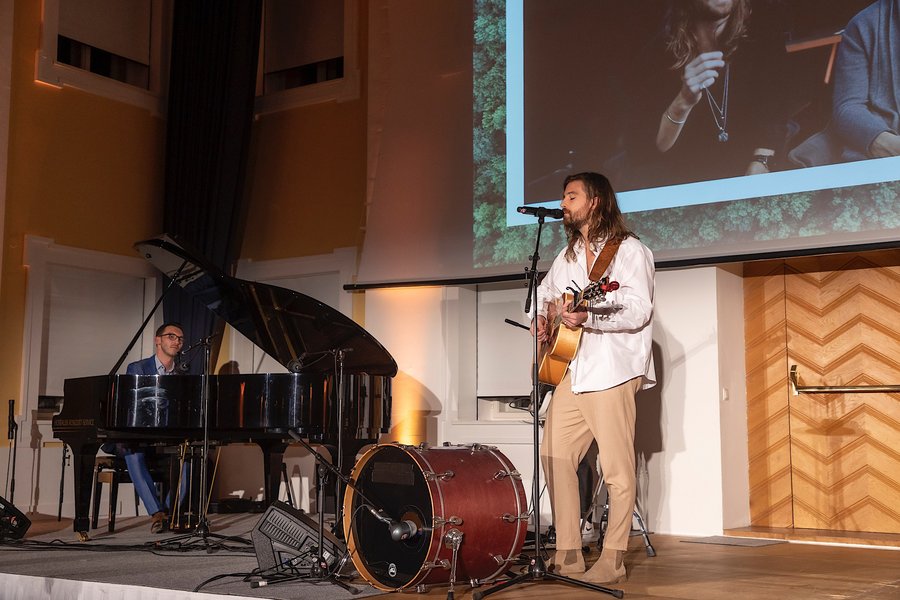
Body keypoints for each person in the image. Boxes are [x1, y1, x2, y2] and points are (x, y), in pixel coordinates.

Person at [531, 172, 655, 584]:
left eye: (571, 196)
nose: (563, 203)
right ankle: (568, 552)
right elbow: (544, 297)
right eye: (563, 197)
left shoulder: (630, 251)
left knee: (617, 471)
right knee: (554, 456)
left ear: (596, 201)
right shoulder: (565, 258)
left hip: (611, 371)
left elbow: (638, 309)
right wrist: (543, 322)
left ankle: (614, 557)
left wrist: (591, 316)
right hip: (571, 369)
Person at [621, 0, 790, 189]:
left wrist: (761, 160)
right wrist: (683, 101)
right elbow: (643, 151)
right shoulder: (656, 56)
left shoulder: (761, 40)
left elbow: (776, 114)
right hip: (684, 183)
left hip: (746, 177)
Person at [108, 322, 185, 533]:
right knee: (132, 453)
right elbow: (131, 405)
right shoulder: (138, 368)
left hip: (168, 437)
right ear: (158, 340)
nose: (177, 341)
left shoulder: (183, 374)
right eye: (171, 336)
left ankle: (168, 510)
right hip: (139, 435)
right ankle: (157, 513)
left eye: (180, 338)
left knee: (192, 458)